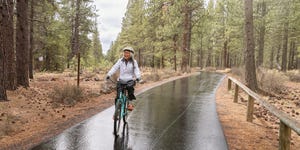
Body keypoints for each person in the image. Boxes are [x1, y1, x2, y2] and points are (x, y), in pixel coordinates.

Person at [106, 46, 141, 111]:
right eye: (124, 53)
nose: (125, 54)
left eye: (127, 53)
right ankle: (117, 111)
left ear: (131, 54)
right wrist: (109, 74)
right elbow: (114, 68)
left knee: (130, 89)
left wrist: (138, 77)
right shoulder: (120, 61)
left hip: (130, 80)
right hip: (121, 80)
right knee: (118, 96)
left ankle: (130, 103)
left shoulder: (134, 62)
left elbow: (136, 70)